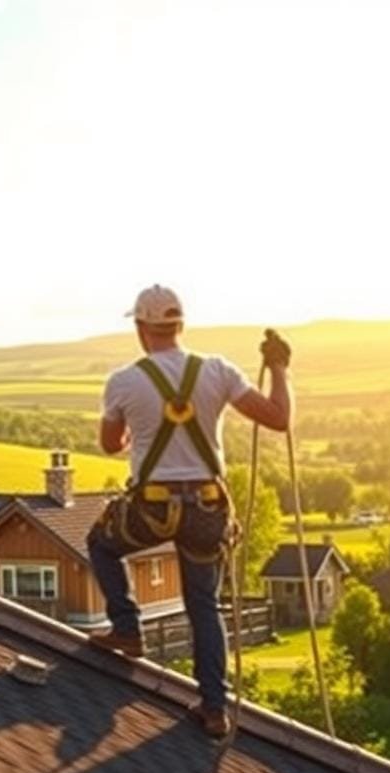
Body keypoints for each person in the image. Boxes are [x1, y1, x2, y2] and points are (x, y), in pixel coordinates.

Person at [85, 284, 291, 737]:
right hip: (207, 508)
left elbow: (108, 444)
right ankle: (214, 710)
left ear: (142, 328)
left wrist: (134, 435)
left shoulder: (123, 380)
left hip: (152, 506)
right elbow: (278, 417)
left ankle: (127, 628)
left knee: (100, 545)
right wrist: (278, 367)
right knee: (203, 604)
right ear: (180, 326)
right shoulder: (217, 371)